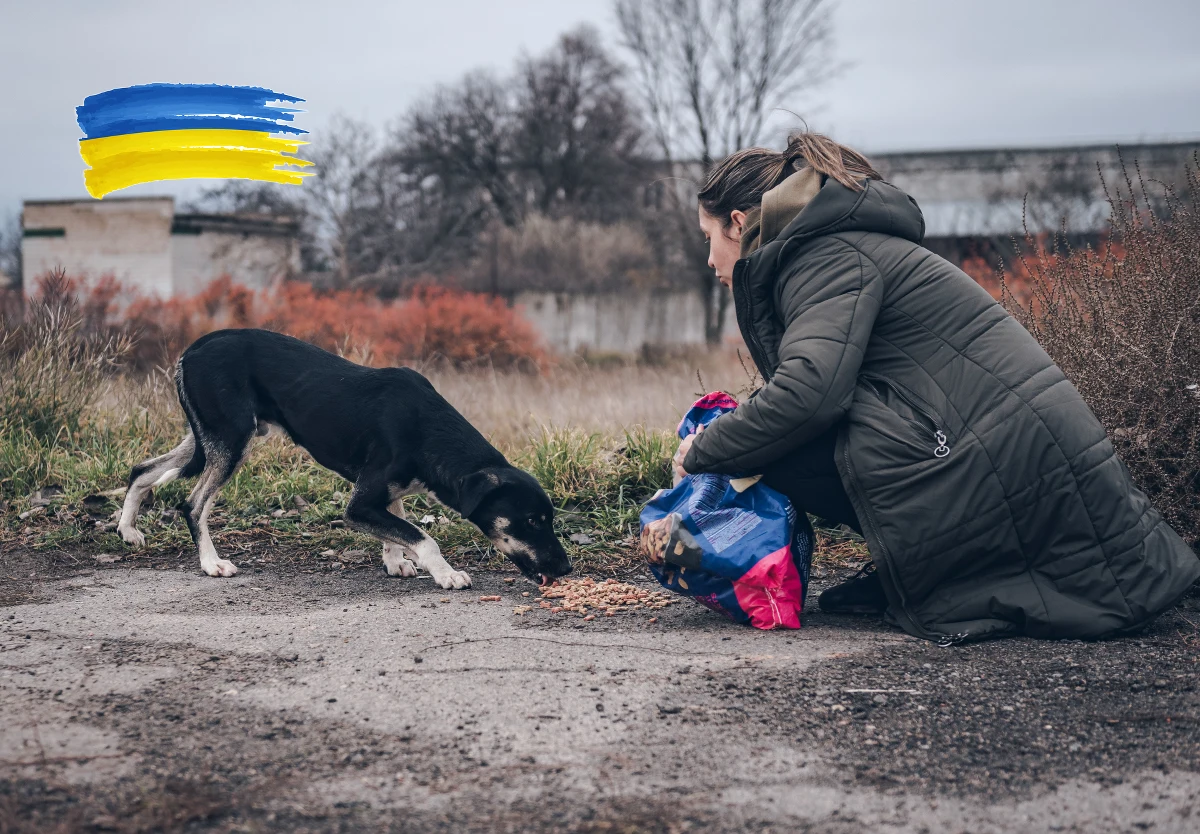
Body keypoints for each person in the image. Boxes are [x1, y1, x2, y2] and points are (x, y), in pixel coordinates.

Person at [673, 131, 1200, 644]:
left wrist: (706, 450)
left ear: (738, 224)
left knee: (774, 451)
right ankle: (925, 568)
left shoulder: (824, 256)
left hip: (1009, 456)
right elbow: (821, 385)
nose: (712, 258)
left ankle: (947, 574)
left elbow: (810, 394)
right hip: (1003, 449)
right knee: (776, 439)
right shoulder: (826, 249)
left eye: (709, 238)